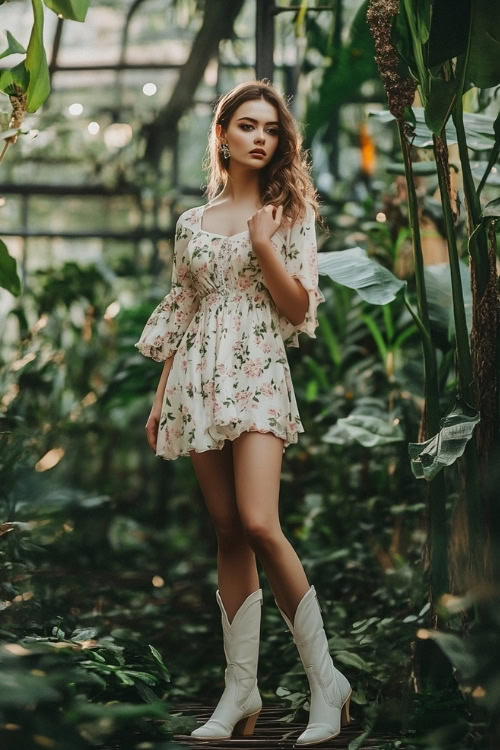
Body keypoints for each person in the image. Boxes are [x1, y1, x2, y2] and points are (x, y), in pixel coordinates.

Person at [134, 79, 352, 747]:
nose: (262, 137)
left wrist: (263, 244)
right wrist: (160, 395)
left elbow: (298, 310)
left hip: (257, 373)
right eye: (249, 126)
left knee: (261, 522)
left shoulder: (289, 215)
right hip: (198, 377)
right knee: (227, 530)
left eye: (271, 129)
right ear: (222, 134)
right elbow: (184, 309)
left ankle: (326, 681)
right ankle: (241, 689)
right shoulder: (192, 224)